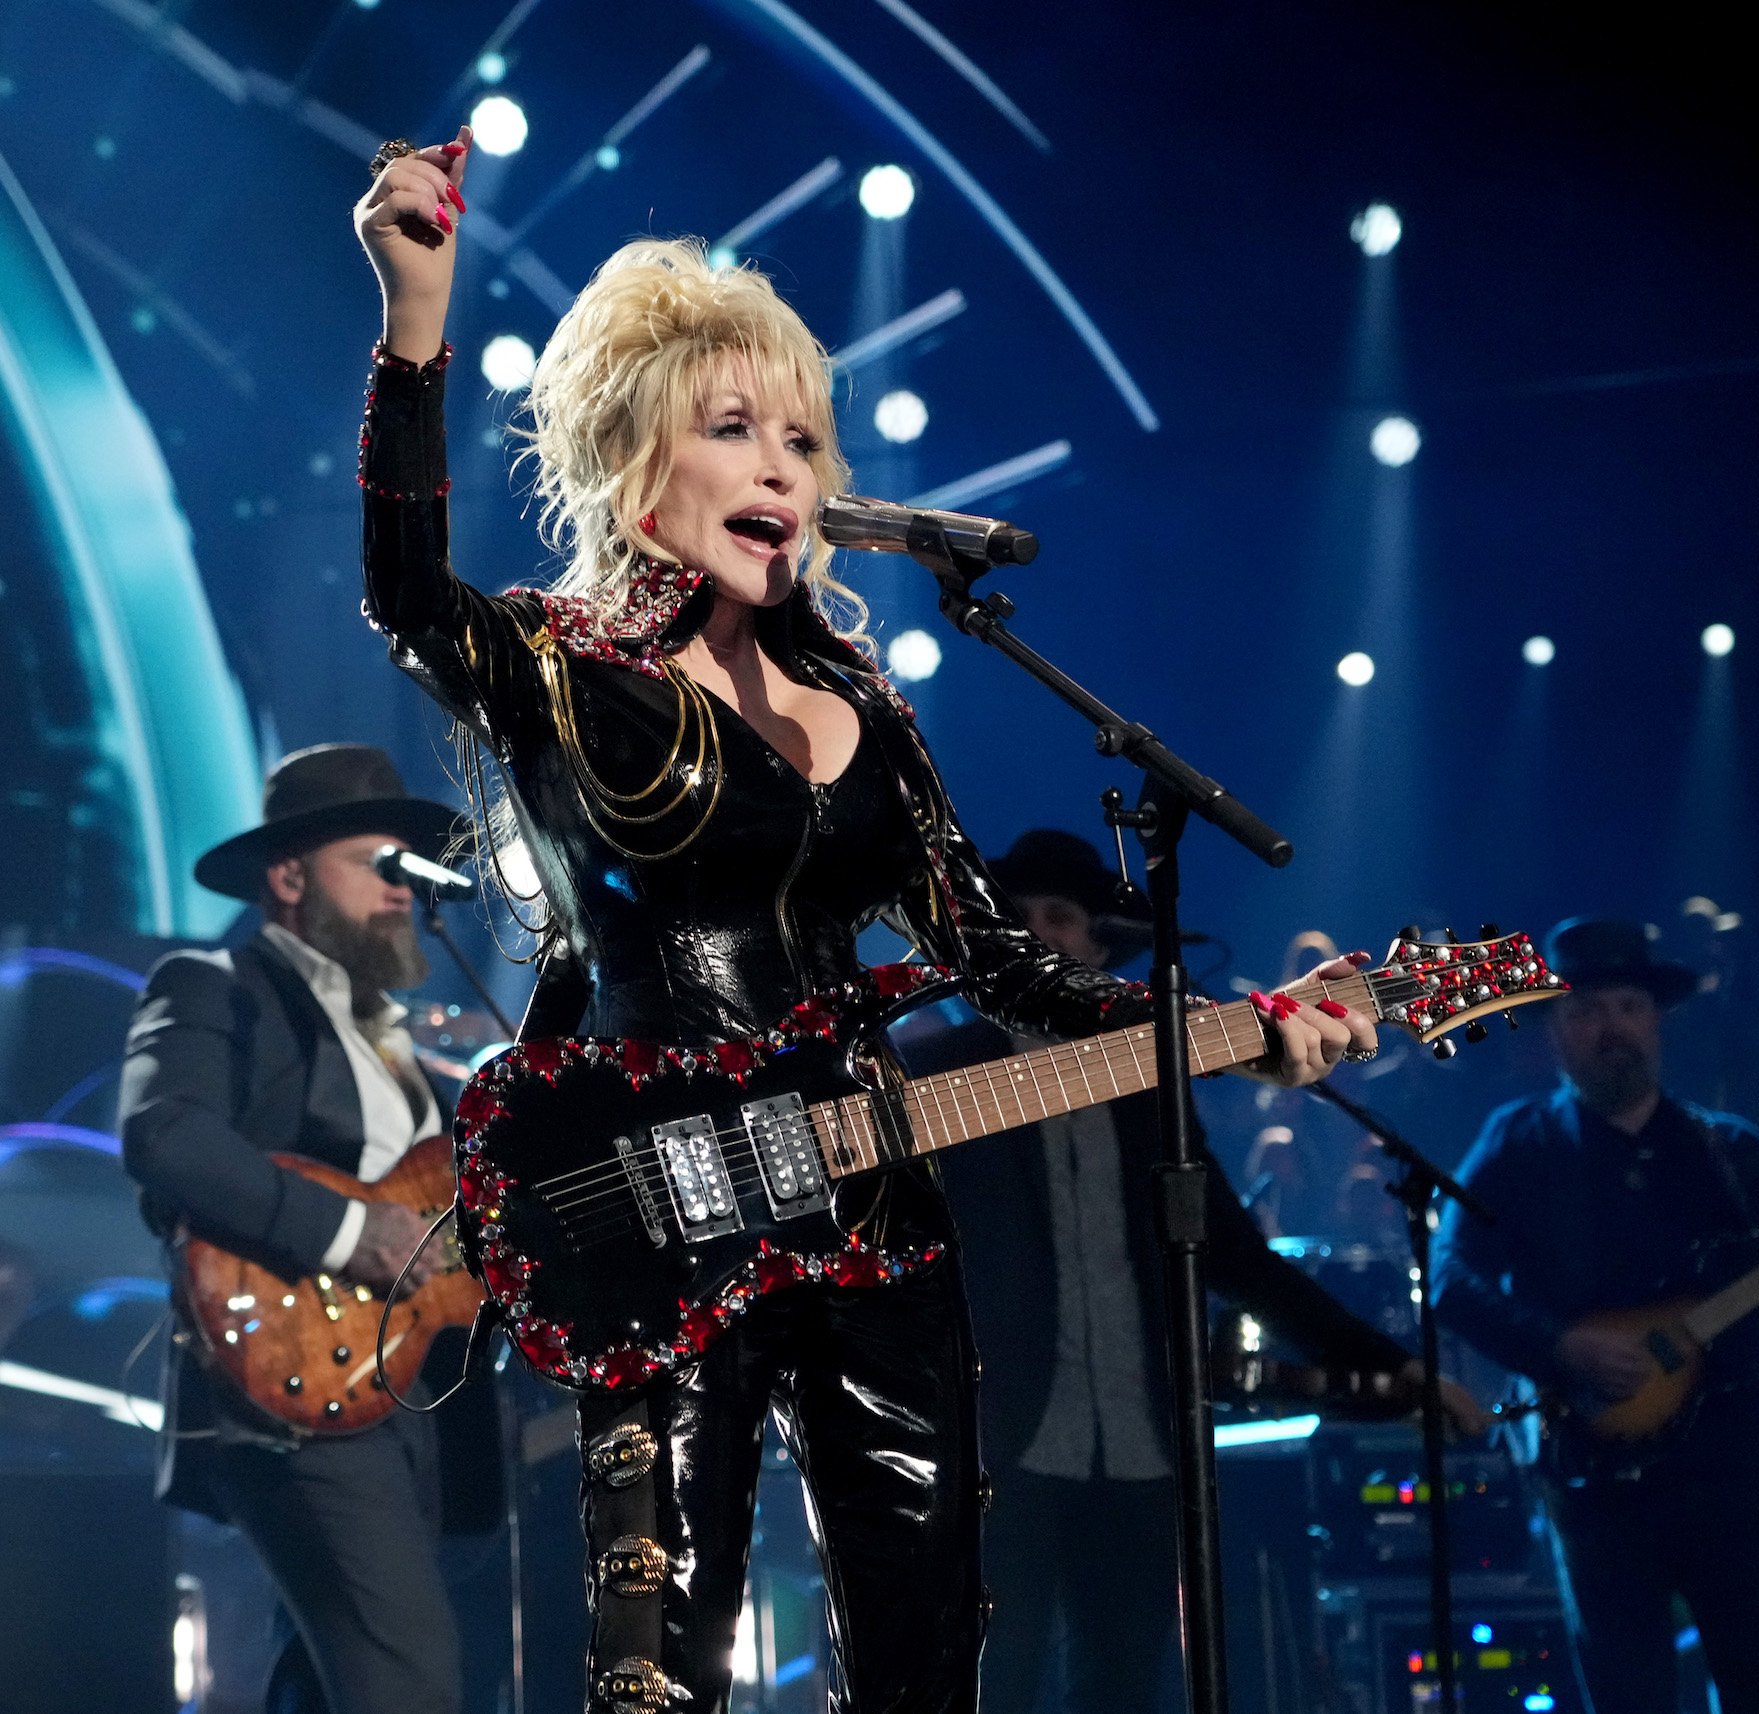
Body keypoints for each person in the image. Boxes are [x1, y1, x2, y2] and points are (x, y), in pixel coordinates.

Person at [348, 132, 1381, 1713]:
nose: (782, 465)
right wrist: (415, 315)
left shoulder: (864, 715)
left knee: (924, 1658)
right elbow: (415, 594)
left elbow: (1005, 971)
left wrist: (1249, 1034)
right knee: (664, 1667)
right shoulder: (562, 675)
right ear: (638, 459)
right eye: (734, 428)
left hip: (871, 1210)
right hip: (660, 1200)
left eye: (804, 439)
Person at [928, 831, 1452, 1714]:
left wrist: (1393, 1365)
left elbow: (1236, 1257)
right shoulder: (938, 1072)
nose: (1039, 934)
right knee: (991, 1685)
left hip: (1141, 1446)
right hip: (992, 1451)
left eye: (1060, 917)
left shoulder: (1147, 1092)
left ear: (1098, 944)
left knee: (1132, 1689)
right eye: (1015, 919)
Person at [1428, 916, 1759, 1714]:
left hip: (1730, 1475)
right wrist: (1560, 1350)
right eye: (1586, 1010)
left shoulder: (1733, 1151)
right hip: (1595, 1480)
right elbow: (1450, 1278)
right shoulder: (1516, 1145)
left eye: (1627, 1005)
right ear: (1556, 1030)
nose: (1610, 1027)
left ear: (1655, 1021)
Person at [118, 742, 473, 1714]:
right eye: (378, 864)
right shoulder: (212, 983)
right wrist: (353, 1232)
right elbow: (166, 1134)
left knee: (323, 1683)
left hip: (398, 1395)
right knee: (410, 1678)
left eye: (411, 867)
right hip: (283, 1389)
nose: (403, 888)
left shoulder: (404, 1040)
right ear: (288, 874)